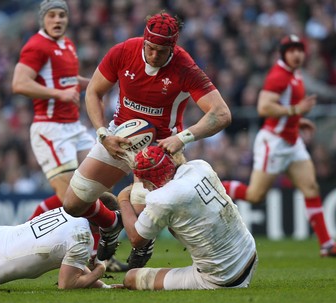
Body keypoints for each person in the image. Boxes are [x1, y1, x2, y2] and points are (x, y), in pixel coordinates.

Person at [62, 11, 231, 264]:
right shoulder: (123, 51)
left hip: (160, 150)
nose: (154, 55)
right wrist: (102, 134)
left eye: (161, 51)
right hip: (118, 137)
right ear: (144, 40)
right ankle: (110, 223)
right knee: (73, 204)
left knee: (142, 227)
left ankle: (145, 244)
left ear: (173, 48)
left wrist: (182, 138)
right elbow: (94, 92)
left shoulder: (185, 67)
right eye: (150, 48)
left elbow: (221, 113)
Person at [11, 0, 127, 271]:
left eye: (62, 15)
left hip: (74, 128)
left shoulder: (67, 45)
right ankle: (28, 240)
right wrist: (58, 94)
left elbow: (67, 79)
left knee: (98, 188)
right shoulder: (36, 46)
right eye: (52, 15)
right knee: (71, 199)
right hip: (50, 129)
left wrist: (100, 84)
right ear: (43, 19)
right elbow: (19, 83)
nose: (57, 20)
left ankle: (101, 257)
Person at [222, 34, 336, 257]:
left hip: (292, 141)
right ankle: (215, 186)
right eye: (292, 50)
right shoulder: (278, 76)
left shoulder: (295, 73)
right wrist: (295, 112)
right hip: (273, 142)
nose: (297, 54)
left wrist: (296, 120)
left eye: (300, 50)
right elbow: (264, 108)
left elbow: (283, 107)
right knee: (255, 195)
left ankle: (326, 244)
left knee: (311, 188)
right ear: (283, 53)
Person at [115, 146, 257, 290]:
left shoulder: (162, 199)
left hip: (223, 278)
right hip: (249, 255)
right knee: (175, 223)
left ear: (152, 177)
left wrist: (123, 199)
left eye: (144, 180)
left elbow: (135, 239)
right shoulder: (200, 166)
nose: (144, 186)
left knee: (131, 278)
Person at [0, 192, 122, 291]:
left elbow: (75, 265)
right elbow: (67, 284)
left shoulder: (70, 213)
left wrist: (104, 287)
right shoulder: (82, 238)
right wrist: (100, 270)